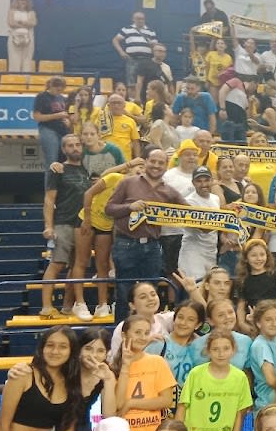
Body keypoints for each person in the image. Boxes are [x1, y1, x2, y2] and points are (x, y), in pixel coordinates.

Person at [105, 148, 186, 321]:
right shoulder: (127, 183)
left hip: (153, 246)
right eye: (153, 161)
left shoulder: (170, 192)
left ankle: (149, 332)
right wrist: (129, 207)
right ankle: (122, 334)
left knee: (151, 293)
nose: (156, 166)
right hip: (125, 244)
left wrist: (221, 214)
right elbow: (109, 209)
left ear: (166, 166)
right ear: (146, 162)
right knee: (123, 293)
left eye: (161, 163)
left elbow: (192, 212)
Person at [40, 135, 89, 318]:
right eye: (70, 145)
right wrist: (49, 226)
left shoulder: (87, 169)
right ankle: (46, 306)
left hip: (83, 225)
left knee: (77, 266)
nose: (75, 148)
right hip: (63, 223)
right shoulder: (57, 170)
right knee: (57, 263)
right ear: (64, 149)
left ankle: (67, 307)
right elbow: (49, 200)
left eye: (77, 144)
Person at [112, 11, 156, 90]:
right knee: (131, 83)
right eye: (138, 18)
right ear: (133, 19)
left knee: (146, 83)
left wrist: (152, 47)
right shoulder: (127, 29)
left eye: (142, 19)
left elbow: (155, 46)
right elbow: (115, 40)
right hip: (132, 59)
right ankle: (132, 101)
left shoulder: (150, 31)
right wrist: (121, 52)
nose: (140, 20)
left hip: (147, 60)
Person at [5, 0, 37, 72]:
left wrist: (20, 22)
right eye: (21, 0)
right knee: (14, 61)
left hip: (28, 40)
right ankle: (14, 81)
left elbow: (33, 23)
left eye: (24, 0)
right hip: (14, 39)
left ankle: (26, 82)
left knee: (27, 62)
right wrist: (26, 23)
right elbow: (11, 23)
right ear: (17, 1)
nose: (23, 2)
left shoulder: (31, 12)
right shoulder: (12, 11)